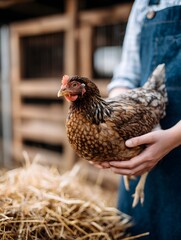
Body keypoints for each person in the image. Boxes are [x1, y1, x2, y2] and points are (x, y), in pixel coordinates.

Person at [92, 0, 181, 239]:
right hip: (140, 145)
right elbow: (126, 74)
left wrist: (174, 136)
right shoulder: (145, 3)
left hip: (173, 141)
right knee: (135, 230)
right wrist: (116, 121)